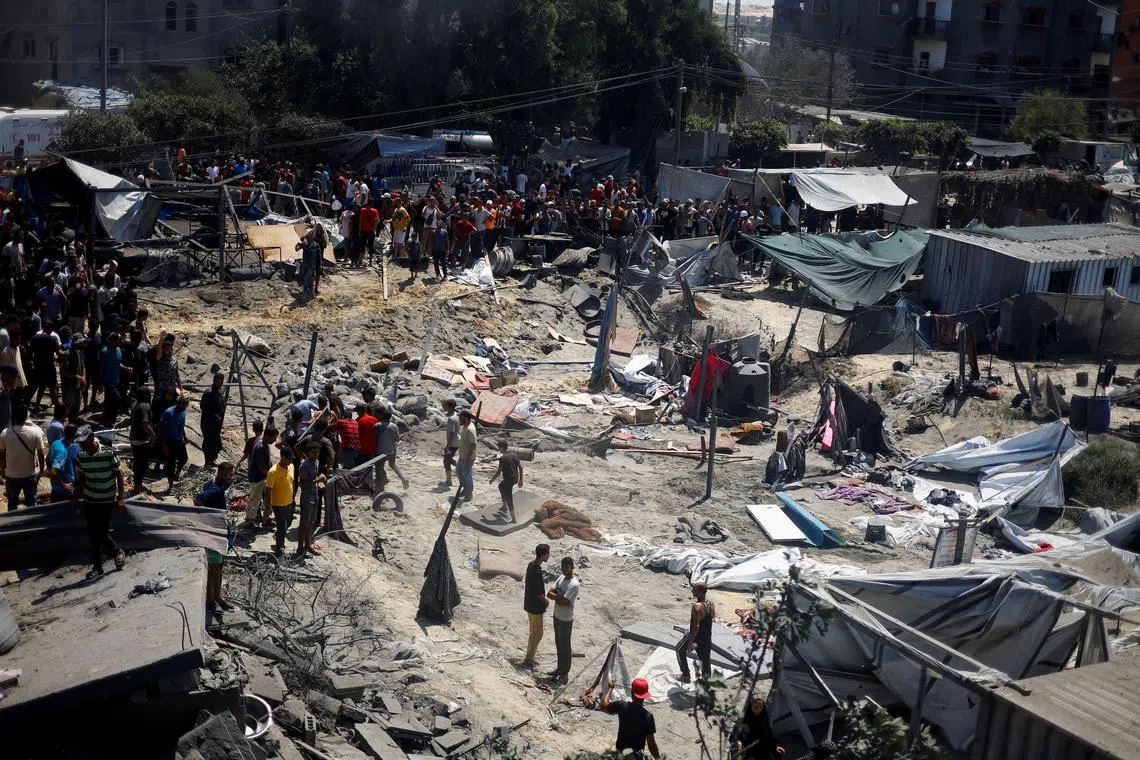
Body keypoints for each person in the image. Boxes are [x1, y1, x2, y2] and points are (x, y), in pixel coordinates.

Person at [74, 426, 127, 581]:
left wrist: (121, 497)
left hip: (106, 498)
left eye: (83, 442)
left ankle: (116, 551)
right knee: (92, 534)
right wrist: (77, 497)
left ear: (91, 438)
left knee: (102, 531)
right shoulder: (81, 455)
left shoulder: (108, 452)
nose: (81, 445)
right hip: (90, 498)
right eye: (79, 443)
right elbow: (82, 479)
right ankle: (98, 567)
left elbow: (119, 474)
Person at [194, 462, 235, 610]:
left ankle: (217, 597)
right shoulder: (215, 489)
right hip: (213, 536)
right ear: (221, 473)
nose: (231, 478)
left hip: (219, 535)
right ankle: (210, 600)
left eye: (232, 475)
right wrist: (209, 519)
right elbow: (198, 500)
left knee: (219, 567)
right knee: (212, 569)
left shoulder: (214, 486)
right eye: (229, 475)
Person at [0, 405, 47, 510]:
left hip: (11, 475)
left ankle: (12, 524)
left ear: (14, 417)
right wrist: (41, 472)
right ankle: (32, 524)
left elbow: (2, 455)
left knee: (12, 502)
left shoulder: (4, 433)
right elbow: (41, 453)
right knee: (31, 502)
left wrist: (3, 470)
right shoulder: (35, 432)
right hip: (29, 475)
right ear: (26, 417)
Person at [600, 677, 660, 759]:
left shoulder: (622, 706)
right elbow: (651, 744)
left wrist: (610, 688)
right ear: (645, 695)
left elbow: (603, 705)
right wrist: (658, 758)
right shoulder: (648, 717)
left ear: (632, 692)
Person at [546, 556, 580, 682]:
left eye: (566, 566)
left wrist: (557, 597)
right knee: (559, 644)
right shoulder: (561, 578)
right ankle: (560, 669)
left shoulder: (574, 584)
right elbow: (549, 594)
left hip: (566, 619)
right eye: (562, 566)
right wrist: (559, 597)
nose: (564, 569)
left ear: (572, 567)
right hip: (557, 616)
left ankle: (565, 672)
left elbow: (565, 601)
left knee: (565, 646)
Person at [677, 581, 715, 683]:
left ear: (701, 592)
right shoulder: (710, 603)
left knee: (679, 649)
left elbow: (696, 627)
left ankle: (686, 676)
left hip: (696, 636)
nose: (692, 590)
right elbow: (712, 617)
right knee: (705, 660)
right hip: (707, 637)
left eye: (695, 589)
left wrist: (690, 642)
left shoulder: (696, 607)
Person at [522, 543, 550, 669]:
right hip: (535, 607)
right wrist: (546, 601)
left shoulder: (530, 565)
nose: (549, 555)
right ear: (544, 555)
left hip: (529, 604)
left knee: (533, 632)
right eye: (548, 553)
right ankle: (529, 659)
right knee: (537, 633)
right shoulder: (536, 571)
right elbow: (538, 593)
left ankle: (530, 656)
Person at [243, 424, 277, 528]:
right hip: (258, 477)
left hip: (262, 476)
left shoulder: (261, 440)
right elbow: (261, 467)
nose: (275, 440)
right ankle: (249, 520)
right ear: (267, 435)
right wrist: (269, 476)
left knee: (267, 498)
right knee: (255, 499)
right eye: (274, 438)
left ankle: (266, 518)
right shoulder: (261, 447)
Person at [296, 441, 326, 557]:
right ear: (307, 453)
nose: (316, 455)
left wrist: (321, 479)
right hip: (307, 498)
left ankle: (308, 545)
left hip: (315, 496)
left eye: (317, 452)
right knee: (304, 524)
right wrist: (317, 481)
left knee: (311, 523)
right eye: (313, 453)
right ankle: (300, 548)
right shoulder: (304, 465)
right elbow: (302, 484)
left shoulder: (317, 462)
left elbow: (314, 478)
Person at [266, 447, 296, 556]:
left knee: (287, 524)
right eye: (289, 459)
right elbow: (268, 491)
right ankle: (279, 550)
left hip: (289, 502)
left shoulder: (291, 466)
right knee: (282, 527)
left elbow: (292, 483)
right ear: (282, 457)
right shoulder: (273, 472)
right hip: (278, 504)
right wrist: (267, 508)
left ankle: (278, 536)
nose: (290, 461)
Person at [374, 407, 408, 490]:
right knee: (392, 464)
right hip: (392, 450)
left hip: (381, 451)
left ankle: (381, 485)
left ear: (382, 416)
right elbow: (397, 439)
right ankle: (404, 479)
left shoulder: (378, 425)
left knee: (379, 466)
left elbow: (374, 438)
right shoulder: (394, 426)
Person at [128, 388, 155, 495]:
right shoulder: (144, 406)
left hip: (135, 439)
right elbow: (145, 424)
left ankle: (137, 485)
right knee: (140, 465)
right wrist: (152, 435)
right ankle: (137, 488)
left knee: (139, 464)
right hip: (141, 440)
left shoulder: (136, 405)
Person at [160, 396, 190, 490]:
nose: (184, 407)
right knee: (171, 465)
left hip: (179, 439)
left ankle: (177, 474)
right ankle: (170, 486)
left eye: (186, 405)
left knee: (184, 458)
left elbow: (181, 425)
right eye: (183, 405)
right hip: (170, 441)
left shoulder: (183, 412)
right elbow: (161, 428)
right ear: (178, 403)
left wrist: (184, 436)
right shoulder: (169, 412)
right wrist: (164, 444)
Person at [489, 439, 523, 522]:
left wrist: (492, 479)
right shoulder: (515, 455)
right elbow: (520, 468)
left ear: (502, 448)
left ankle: (513, 519)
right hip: (515, 478)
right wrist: (520, 480)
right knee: (501, 486)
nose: (499, 450)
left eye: (499, 448)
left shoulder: (502, 458)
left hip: (509, 480)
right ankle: (504, 506)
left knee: (509, 497)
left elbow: (498, 472)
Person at [48, 422, 79, 503]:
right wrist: (64, 485)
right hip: (64, 492)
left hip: (56, 489)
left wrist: (53, 481)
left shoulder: (56, 443)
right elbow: (53, 472)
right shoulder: (63, 452)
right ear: (74, 435)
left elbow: (47, 460)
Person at [59, 329, 86, 419]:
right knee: (67, 408)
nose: (82, 344)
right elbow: (64, 372)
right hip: (69, 386)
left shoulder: (80, 353)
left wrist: (83, 379)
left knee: (76, 408)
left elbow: (83, 367)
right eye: (80, 342)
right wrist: (77, 377)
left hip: (77, 386)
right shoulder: (67, 354)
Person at [200, 371, 225, 468]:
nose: (219, 384)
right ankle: (207, 462)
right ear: (214, 381)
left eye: (221, 382)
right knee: (208, 443)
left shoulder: (218, 391)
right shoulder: (209, 392)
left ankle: (212, 460)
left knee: (215, 443)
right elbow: (203, 407)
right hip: (208, 423)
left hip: (216, 424)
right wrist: (214, 416)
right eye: (218, 382)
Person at [455, 409, 477, 501]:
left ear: (466, 417)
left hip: (468, 456)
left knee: (467, 474)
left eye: (461, 417)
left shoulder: (470, 429)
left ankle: (469, 493)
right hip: (463, 455)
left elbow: (473, 445)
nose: (460, 418)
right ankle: (465, 488)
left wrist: (468, 458)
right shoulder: (465, 425)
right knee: (459, 471)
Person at [441, 398, 459, 487]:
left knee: (446, 461)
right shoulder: (456, 415)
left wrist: (447, 446)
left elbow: (451, 434)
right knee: (449, 459)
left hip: (453, 443)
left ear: (450, 406)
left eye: (446, 405)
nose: (444, 406)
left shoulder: (451, 419)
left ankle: (449, 481)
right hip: (456, 442)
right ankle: (460, 466)